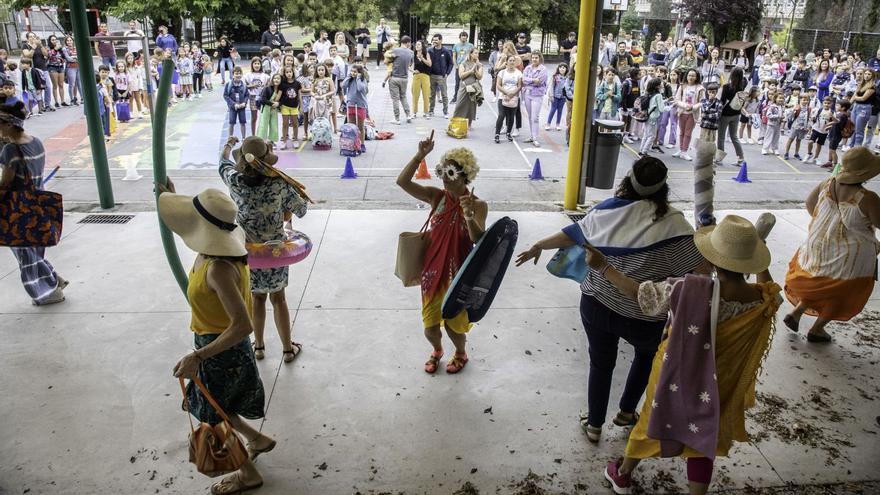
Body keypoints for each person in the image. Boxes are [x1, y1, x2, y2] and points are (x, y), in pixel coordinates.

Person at [517, 157, 704, 444]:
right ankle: (628, 412)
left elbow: (572, 235)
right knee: (644, 358)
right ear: (663, 187)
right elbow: (695, 269)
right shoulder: (676, 226)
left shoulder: (605, 212)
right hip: (645, 316)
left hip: (598, 305)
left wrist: (538, 245)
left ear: (628, 180)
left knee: (601, 364)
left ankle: (594, 425)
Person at [599, 214, 781, 495]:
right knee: (702, 438)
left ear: (712, 258)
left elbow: (641, 295)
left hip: (674, 375)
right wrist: (757, 258)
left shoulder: (688, 289)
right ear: (749, 263)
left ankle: (623, 474)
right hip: (719, 383)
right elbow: (773, 290)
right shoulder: (761, 300)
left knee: (652, 421)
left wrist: (603, 267)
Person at [158, 181, 276, 495]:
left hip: (221, 351)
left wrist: (198, 357)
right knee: (219, 406)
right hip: (215, 345)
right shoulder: (210, 254)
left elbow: (242, 325)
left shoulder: (218, 268)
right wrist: (169, 192)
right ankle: (257, 439)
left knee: (212, 417)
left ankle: (247, 474)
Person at [396, 133, 487, 374]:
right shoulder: (437, 197)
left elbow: (479, 239)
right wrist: (419, 156)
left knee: (454, 327)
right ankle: (436, 350)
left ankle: (460, 353)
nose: (444, 180)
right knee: (430, 326)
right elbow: (402, 182)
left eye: (450, 174)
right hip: (432, 272)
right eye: (442, 172)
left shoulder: (478, 205)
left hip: (459, 275)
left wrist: (468, 215)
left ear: (464, 176)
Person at [219, 135, 308, 362]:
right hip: (276, 251)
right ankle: (288, 349)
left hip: (249, 252)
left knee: (256, 298)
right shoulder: (279, 184)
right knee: (279, 298)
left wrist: (229, 145)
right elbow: (301, 209)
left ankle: (258, 347)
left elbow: (222, 163)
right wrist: (284, 210)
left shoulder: (235, 181)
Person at [784, 147, 880, 342]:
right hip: (850, 256)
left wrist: (828, 225)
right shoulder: (867, 198)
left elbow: (811, 205)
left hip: (819, 248)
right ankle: (818, 329)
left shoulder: (827, 184)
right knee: (842, 291)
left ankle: (797, 311)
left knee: (820, 282)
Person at [0, 102, 67, 305]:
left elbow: (6, 183)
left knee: (23, 251)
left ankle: (48, 291)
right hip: (38, 203)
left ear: (9, 124)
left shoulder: (11, 151)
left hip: (19, 210)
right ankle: (54, 279)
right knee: (31, 250)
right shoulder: (35, 141)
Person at [716, 67, 747, 166]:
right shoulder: (742, 87)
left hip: (725, 115)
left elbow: (722, 102)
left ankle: (719, 158)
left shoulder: (726, 87)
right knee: (734, 137)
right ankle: (740, 158)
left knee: (721, 137)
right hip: (736, 115)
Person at [451, 47, 483, 128]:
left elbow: (480, 77)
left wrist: (475, 70)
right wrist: (470, 70)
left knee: (471, 106)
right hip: (464, 87)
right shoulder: (463, 63)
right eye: (475, 53)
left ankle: (469, 124)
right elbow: (461, 76)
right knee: (459, 104)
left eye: (478, 53)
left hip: (474, 88)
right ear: (471, 54)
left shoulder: (479, 65)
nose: (477, 55)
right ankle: (455, 122)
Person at [521, 51, 548, 147]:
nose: (534, 59)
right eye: (533, 57)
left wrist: (529, 82)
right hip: (527, 94)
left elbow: (540, 82)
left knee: (534, 117)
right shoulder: (528, 68)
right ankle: (532, 136)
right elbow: (523, 79)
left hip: (537, 95)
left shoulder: (543, 69)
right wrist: (532, 80)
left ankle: (535, 138)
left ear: (540, 58)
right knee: (530, 116)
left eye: (536, 57)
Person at [22, 33, 53, 113]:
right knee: (39, 88)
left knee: (48, 87)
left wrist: (41, 46)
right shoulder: (26, 46)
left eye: (34, 36)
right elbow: (27, 56)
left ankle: (47, 104)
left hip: (43, 68)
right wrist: (33, 48)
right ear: (27, 38)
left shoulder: (39, 45)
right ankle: (41, 106)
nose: (32, 38)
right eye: (30, 37)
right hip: (34, 70)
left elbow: (46, 54)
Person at [494, 55, 522, 143]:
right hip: (503, 97)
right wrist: (506, 93)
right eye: (510, 60)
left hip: (513, 97)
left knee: (511, 117)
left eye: (513, 60)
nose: (512, 62)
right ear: (506, 62)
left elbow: (519, 85)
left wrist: (513, 93)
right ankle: (497, 134)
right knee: (501, 115)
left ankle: (508, 133)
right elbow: (498, 85)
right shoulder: (502, 72)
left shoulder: (518, 73)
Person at [388, 36, 414, 125]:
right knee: (403, 97)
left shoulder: (395, 51)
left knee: (395, 99)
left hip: (394, 77)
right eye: (409, 43)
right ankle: (408, 115)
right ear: (407, 42)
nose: (410, 44)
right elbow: (410, 64)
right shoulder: (411, 52)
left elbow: (388, 60)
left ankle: (397, 118)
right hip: (405, 78)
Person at [342, 64, 369, 147]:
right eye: (352, 71)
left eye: (355, 72)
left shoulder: (362, 80)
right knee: (351, 127)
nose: (353, 73)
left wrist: (358, 78)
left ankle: (362, 144)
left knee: (360, 126)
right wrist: (348, 77)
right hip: (351, 104)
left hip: (360, 105)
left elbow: (361, 89)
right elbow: (343, 85)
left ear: (359, 73)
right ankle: (352, 144)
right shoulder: (349, 79)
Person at [428, 34, 454, 119]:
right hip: (432, 75)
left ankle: (445, 111)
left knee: (444, 95)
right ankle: (431, 110)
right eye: (433, 40)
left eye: (436, 40)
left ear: (441, 40)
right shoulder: (430, 50)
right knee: (432, 95)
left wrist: (447, 73)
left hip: (441, 76)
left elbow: (451, 63)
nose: (434, 41)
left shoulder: (446, 51)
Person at [850, 69, 876, 148]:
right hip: (856, 106)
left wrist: (855, 97)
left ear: (872, 76)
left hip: (864, 108)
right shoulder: (860, 84)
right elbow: (854, 96)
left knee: (859, 130)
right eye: (865, 74)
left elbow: (863, 98)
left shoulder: (872, 87)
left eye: (869, 74)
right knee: (853, 128)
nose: (866, 75)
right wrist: (848, 104)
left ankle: (857, 148)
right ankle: (851, 146)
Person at [278, 66, 301, 149]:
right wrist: (276, 103)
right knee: (285, 124)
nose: (289, 74)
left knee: (295, 124)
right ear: (284, 74)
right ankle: (284, 141)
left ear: (293, 73)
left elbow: (299, 95)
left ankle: (295, 139)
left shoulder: (297, 83)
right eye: (287, 72)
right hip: (285, 106)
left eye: (290, 72)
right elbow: (279, 95)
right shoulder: (282, 84)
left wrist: (300, 106)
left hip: (294, 107)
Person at [640, 78, 664, 156]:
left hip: (646, 115)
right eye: (661, 83)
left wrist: (665, 101)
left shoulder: (648, 93)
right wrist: (670, 106)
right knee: (652, 136)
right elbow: (661, 109)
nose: (662, 84)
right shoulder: (659, 95)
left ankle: (641, 149)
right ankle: (645, 151)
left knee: (646, 135)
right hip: (653, 117)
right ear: (657, 86)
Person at [256, 73, 282, 143]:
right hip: (266, 108)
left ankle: (272, 141)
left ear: (281, 80)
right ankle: (261, 141)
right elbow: (262, 100)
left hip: (274, 109)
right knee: (263, 125)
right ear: (272, 79)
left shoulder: (280, 91)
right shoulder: (267, 88)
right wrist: (273, 104)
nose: (276, 80)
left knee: (274, 125)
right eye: (275, 78)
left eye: (278, 78)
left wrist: (279, 104)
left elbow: (283, 100)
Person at [224, 67, 248, 139]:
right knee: (231, 122)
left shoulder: (243, 85)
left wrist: (244, 103)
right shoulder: (229, 85)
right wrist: (233, 104)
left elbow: (247, 95)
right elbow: (225, 95)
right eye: (236, 74)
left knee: (243, 122)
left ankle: (243, 138)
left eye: (240, 73)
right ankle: (230, 137)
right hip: (233, 107)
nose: (238, 75)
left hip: (242, 107)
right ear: (233, 75)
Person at [451, 32, 474, 104]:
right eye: (462, 36)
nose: (464, 37)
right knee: (457, 82)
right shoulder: (456, 46)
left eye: (465, 36)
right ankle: (455, 97)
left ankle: (470, 97)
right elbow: (454, 56)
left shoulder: (470, 45)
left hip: (467, 66)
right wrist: (456, 65)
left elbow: (473, 55)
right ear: (460, 37)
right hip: (459, 66)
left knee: (469, 82)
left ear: (467, 37)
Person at [412, 39, 432, 119]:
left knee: (426, 95)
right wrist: (413, 71)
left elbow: (430, 64)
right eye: (416, 44)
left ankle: (426, 112)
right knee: (415, 95)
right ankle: (414, 112)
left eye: (419, 44)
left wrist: (422, 58)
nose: (417, 46)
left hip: (425, 76)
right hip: (416, 76)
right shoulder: (413, 54)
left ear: (422, 46)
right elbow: (410, 66)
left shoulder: (426, 53)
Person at [546, 62, 569, 130]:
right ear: (558, 69)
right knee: (553, 110)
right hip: (555, 96)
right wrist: (551, 95)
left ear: (566, 69)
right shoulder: (555, 77)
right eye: (560, 67)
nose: (562, 69)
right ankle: (548, 124)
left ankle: (558, 124)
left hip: (563, 97)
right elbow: (552, 86)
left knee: (560, 110)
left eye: (563, 68)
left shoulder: (567, 78)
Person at [46, 37, 66, 108]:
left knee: (61, 85)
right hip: (52, 67)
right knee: (55, 85)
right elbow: (49, 56)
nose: (54, 41)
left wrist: (62, 59)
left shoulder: (60, 49)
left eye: (55, 40)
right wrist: (55, 49)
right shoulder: (48, 48)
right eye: (52, 40)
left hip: (60, 67)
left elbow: (64, 57)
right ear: (50, 41)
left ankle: (63, 101)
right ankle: (56, 102)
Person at [61, 36, 80, 106]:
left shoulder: (76, 47)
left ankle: (78, 98)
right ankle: (71, 99)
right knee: (72, 84)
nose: (69, 42)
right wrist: (75, 58)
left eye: (70, 40)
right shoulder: (64, 49)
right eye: (68, 41)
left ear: (73, 41)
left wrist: (74, 58)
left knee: (78, 83)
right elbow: (68, 58)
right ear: (66, 42)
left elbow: (79, 56)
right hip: (70, 67)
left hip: (78, 67)